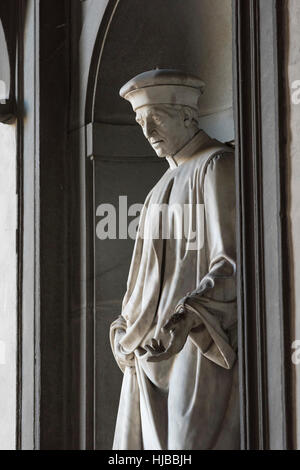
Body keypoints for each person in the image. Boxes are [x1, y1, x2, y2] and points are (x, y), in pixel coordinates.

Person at [110, 69, 239, 450]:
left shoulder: (216, 165)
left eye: (156, 119)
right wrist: (123, 329)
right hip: (147, 349)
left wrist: (188, 317)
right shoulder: (158, 190)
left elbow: (230, 261)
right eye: (140, 122)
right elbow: (142, 281)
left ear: (187, 117)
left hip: (195, 341)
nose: (148, 132)